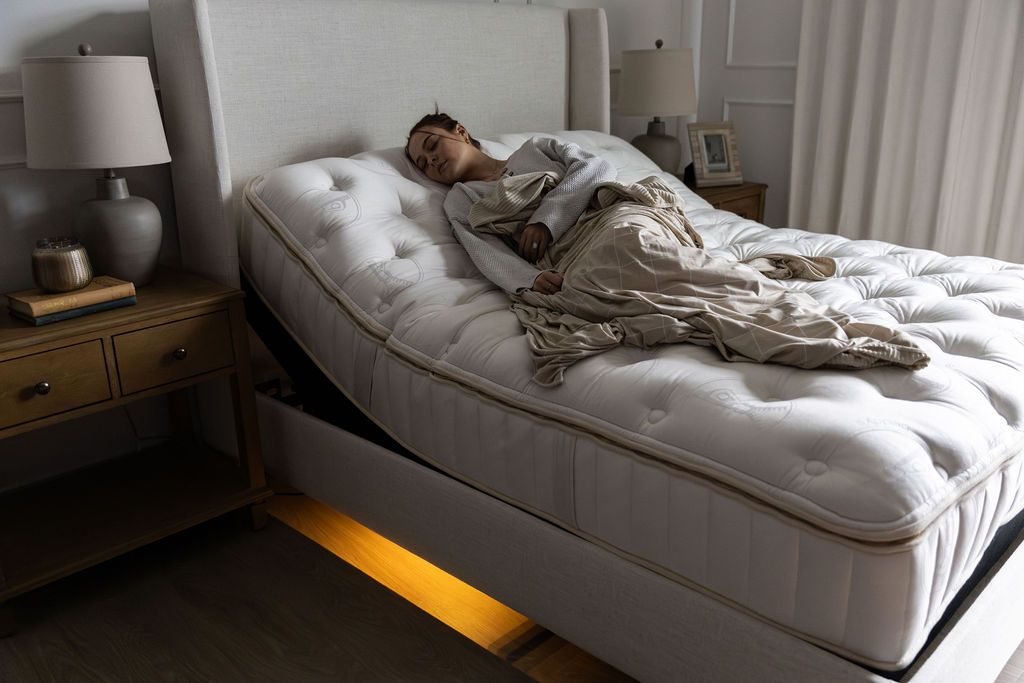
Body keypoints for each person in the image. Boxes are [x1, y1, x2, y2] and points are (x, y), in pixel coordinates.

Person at [405, 111, 616, 295]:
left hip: (610, 219)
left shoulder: (536, 148)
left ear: (460, 131)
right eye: (423, 164)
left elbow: (597, 167)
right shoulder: (462, 198)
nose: (431, 160)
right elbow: (484, 249)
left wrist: (546, 220)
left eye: (432, 145)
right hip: (573, 255)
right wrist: (529, 278)